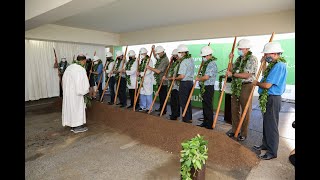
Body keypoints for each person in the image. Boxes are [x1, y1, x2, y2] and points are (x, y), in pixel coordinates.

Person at [252, 42, 287, 160]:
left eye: (267, 53)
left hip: (272, 98)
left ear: (274, 53)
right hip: (268, 98)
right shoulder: (273, 65)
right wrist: (263, 64)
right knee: (267, 123)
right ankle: (265, 144)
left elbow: (267, 85)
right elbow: (265, 75)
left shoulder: (279, 65)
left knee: (271, 125)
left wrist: (256, 83)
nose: (265, 55)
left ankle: (272, 152)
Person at [226, 39, 258, 141]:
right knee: (234, 109)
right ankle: (235, 129)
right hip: (236, 85)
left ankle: (243, 133)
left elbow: (247, 75)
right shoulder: (238, 59)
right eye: (238, 48)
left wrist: (233, 75)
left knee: (245, 110)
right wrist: (230, 59)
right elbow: (231, 70)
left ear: (247, 49)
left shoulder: (252, 59)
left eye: (240, 48)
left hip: (246, 85)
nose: (238, 50)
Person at [62, 53, 89, 133]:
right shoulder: (81, 69)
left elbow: (63, 80)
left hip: (69, 93)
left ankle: (73, 126)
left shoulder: (69, 67)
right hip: (77, 94)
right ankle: (77, 127)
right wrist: (85, 91)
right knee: (77, 109)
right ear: (84, 61)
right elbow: (83, 83)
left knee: (71, 109)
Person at [196, 46, 218, 129]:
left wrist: (199, 78)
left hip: (208, 87)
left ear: (208, 55)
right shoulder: (207, 63)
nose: (203, 58)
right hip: (204, 86)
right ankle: (205, 122)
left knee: (208, 105)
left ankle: (209, 124)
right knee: (205, 105)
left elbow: (206, 77)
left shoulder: (211, 64)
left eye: (204, 56)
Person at [174, 44, 194, 123]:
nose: (178, 54)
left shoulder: (184, 61)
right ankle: (189, 117)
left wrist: (174, 78)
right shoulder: (190, 59)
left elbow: (181, 76)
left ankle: (185, 118)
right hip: (190, 82)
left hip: (184, 83)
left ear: (182, 53)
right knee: (188, 101)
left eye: (179, 52)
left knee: (184, 101)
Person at [147, 45, 169, 115]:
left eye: (159, 53)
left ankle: (163, 110)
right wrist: (153, 50)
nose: (158, 55)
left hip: (163, 81)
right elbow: (155, 56)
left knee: (163, 96)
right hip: (159, 80)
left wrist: (149, 68)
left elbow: (158, 71)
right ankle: (161, 108)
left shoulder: (165, 60)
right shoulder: (161, 58)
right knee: (160, 96)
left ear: (162, 52)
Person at [165, 49, 180, 120]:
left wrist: (169, 78)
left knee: (175, 101)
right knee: (173, 100)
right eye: (173, 56)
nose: (173, 57)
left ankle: (175, 115)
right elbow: (170, 70)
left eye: (174, 56)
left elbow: (175, 74)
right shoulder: (174, 63)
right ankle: (174, 113)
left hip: (176, 85)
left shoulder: (179, 64)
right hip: (172, 84)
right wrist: (171, 62)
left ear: (177, 56)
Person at [137, 47, 153, 112]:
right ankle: (142, 106)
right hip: (141, 80)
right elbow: (140, 69)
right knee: (142, 93)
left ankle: (149, 108)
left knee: (148, 94)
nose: (142, 55)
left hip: (147, 80)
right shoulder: (142, 61)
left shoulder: (149, 60)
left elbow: (149, 71)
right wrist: (139, 72)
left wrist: (141, 74)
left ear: (146, 53)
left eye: (143, 54)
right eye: (141, 54)